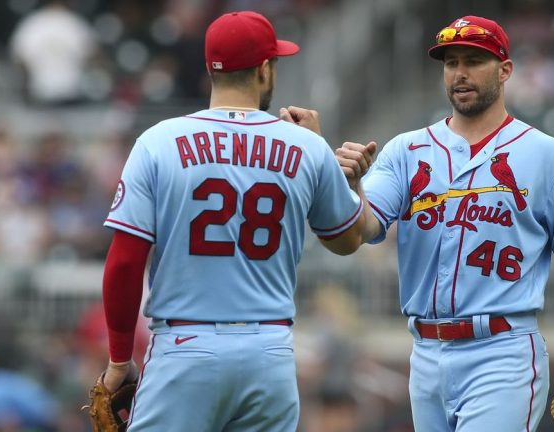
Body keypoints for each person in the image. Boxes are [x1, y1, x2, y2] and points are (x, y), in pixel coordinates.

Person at [334, 15, 554, 431]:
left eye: (473, 60)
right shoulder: (406, 150)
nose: (460, 73)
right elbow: (362, 229)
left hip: (501, 351)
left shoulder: (544, 154)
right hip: (425, 353)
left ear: (505, 71)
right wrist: (351, 188)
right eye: (451, 62)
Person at [97, 11, 371, 431]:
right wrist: (331, 163)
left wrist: (119, 359)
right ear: (265, 69)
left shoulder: (158, 141)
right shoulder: (307, 147)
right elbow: (347, 240)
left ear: (210, 68)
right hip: (269, 352)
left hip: (185, 348)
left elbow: (125, 262)